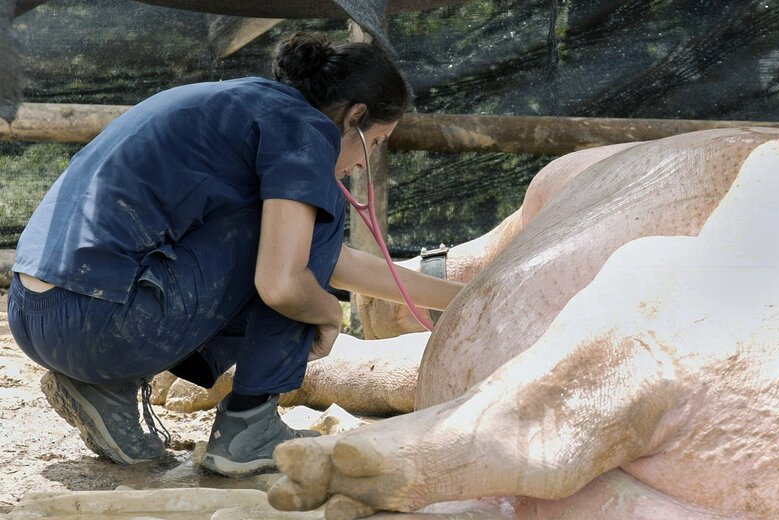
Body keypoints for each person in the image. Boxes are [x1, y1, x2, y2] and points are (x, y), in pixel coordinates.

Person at [7, 32, 464, 478]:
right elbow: (284, 282)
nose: (365, 161)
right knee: (307, 238)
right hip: (100, 322)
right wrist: (328, 313)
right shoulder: (307, 132)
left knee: (299, 240)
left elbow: (333, 259)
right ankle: (250, 426)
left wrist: (462, 296)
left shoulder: (244, 103)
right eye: (377, 141)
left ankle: (105, 387)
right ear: (354, 116)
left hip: (34, 313)